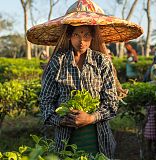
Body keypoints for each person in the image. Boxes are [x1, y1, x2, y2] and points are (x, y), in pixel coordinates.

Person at [27, 0, 143, 158]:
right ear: (69, 36)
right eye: (76, 35)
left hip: (98, 139)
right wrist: (61, 120)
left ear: (93, 36)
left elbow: (111, 103)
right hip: (65, 139)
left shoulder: (102, 61)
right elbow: (46, 102)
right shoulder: (57, 62)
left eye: (86, 35)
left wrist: (90, 118)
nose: (81, 41)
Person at [144, 53, 156, 158]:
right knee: (153, 126)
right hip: (153, 100)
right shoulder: (155, 68)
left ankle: (153, 149)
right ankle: (151, 150)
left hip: (153, 99)